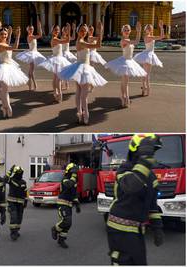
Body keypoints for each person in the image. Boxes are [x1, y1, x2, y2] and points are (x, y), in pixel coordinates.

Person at [106, 134, 164, 265]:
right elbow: (131, 186)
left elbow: (152, 206)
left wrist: (157, 227)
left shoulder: (151, 176)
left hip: (137, 231)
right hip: (118, 230)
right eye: (149, 151)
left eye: (153, 152)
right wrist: (144, 162)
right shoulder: (124, 169)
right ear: (136, 151)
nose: (152, 155)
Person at [59, 22, 107, 125]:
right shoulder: (81, 42)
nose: (84, 32)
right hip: (83, 69)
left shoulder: (81, 40)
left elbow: (95, 44)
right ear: (77, 31)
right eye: (81, 30)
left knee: (79, 92)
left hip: (80, 68)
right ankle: (85, 116)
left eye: (85, 30)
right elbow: (98, 45)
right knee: (84, 95)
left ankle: (80, 114)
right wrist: (100, 32)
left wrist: (98, 33)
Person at [105, 23, 147, 108]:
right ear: (122, 32)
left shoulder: (128, 39)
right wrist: (139, 32)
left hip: (129, 61)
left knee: (125, 82)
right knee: (125, 82)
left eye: (128, 30)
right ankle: (125, 98)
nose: (127, 31)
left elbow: (135, 43)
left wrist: (139, 31)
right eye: (125, 30)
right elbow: (137, 42)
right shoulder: (124, 40)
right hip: (124, 62)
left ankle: (124, 98)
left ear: (130, 31)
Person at [38, 24, 72, 103]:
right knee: (58, 78)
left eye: (58, 29)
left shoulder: (56, 39)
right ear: (52, 31)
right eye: (55, 30)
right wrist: (69, 31)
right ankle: (59, 94)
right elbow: (67, 41)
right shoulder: (55, 39)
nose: (57, 31)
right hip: (57, 59)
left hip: (58, 58)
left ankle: (55, 92)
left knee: (55, 77)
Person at [51, 163, 81, 249]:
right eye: (73, 172)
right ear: (69, 172)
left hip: (69, 205)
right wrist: (73, 177)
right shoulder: (65, 179)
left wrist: (77, 204)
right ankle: (55, 229)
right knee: (66, 221)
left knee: (68, 224)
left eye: (76, 172)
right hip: (62, 204)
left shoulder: (73, 181)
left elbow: (74, 194)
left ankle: (61, 239)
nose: (75, 174)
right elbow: (69, 185)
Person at [134, 21, 164, 96]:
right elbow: (161, 37)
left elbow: (161, 37)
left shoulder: (149, 36)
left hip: (147, 55)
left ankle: (144, 89)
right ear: (146, 30)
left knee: (145, 74)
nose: (149, 29)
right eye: (148, 28)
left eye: (150, 28)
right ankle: (146, 90)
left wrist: (161, 28)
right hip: (148, 55)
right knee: (147, 74)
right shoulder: (148, 37)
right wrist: (161, 28)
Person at [15, 21, 45, 91]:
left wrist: (39, 26)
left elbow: (39, 35)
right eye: (30, 29)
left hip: (33, 53)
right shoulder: (30, 36)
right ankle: (33, 84)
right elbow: (40, 35)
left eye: (32, 29)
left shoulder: (31, 36)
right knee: (31, 71)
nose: (31, 30)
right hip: (32, 53)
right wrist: (39, 26)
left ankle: (30, 84)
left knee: (31, 71)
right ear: (27, 30)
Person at [4, 165, 27, 241]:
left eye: (21, 172)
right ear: (15, 173)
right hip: (12, 202)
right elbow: (5, 179)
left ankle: (16, 230)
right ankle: (13, 233)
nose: (20, 174)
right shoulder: (11, 180)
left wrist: (25, 201)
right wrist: (10, 171)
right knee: (14, 217)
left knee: (19, 218)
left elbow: (25, 193)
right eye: (18, 172)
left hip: (20, 203)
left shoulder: (23, 182)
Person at [61, 22, 77, 91]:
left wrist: (73, 29)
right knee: (63, 69)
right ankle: (62, 83)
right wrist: (70, 29)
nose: (66, 31)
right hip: (63, 54)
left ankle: (66, 84)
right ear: (62, 31)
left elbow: (73, 37)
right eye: (65, 30)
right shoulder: (62, 37)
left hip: (68, 54)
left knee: (66, 69)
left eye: (66, 30)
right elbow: (68, 39)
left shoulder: (67, 37)